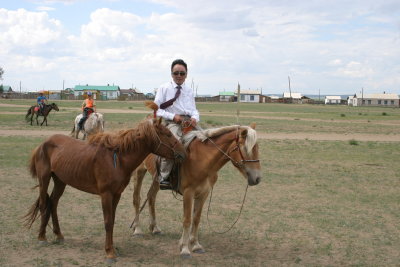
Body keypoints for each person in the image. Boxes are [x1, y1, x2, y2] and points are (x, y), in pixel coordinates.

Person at [154, 59, 200, 189]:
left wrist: (195, 117)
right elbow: (156, 109)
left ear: (186, 74)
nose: (179, 76)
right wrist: (173, 116)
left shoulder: (189, 90)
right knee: (175, 143)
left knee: (205, 139)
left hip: (188, 121)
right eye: (176, 73)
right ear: (171, 74)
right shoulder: (164, 88)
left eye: (182, 73)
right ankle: (164, 176)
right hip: (171, 122)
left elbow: (193, 109)